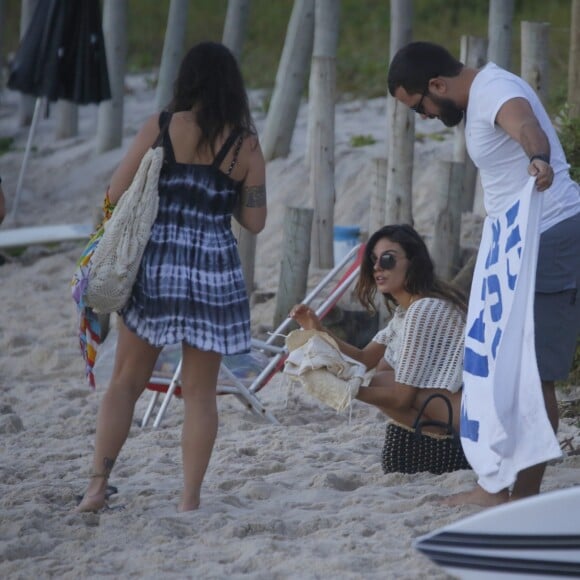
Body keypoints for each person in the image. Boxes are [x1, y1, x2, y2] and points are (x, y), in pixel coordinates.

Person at [75, 42, 267, 513]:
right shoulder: (244, 143)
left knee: (125, 381)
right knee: (200, 393)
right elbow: (255, 221)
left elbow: (114, 193)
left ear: (187, 80)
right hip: (213, 270)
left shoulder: (161, 127)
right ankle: (189, 500)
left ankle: (97, 487)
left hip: (156, 265)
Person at [388, 41, 580, 506]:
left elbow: (526, 125)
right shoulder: (481, 96)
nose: (426, 117)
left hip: (549, 237)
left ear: (437, 85)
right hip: (517, 245)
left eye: (421, 107)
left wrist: (538, 159)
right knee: (500, 365)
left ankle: (520, 496)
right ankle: (495, 485)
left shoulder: (494, 89)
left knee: (532, 375)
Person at [290, 224, 467, 433]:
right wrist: (318, 330)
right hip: (457, 406)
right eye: (373, 260)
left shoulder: (423, 309)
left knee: (381, 380)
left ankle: (442, 439)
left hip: (464, 413)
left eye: (388, 259)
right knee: (382, 373)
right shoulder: (407, 311)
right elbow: (364, 357)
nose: (377, 268)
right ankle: (437, 435)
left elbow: (401, 399)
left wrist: (344, 390)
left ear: (413, 262)